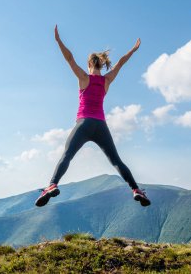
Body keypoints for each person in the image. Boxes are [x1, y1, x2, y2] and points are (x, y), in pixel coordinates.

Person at [35, 25, 151, 208]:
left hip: (84, 123)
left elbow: (70, 59)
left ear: (90, 65)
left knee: (67, 155)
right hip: (100, 125)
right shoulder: (107, 80)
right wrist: (133, 50)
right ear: (101, 65)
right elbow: (121, 63)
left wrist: (58, 41)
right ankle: (136, 190)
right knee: (116, 161)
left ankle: (51, 185)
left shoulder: (84, 78)